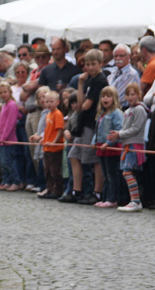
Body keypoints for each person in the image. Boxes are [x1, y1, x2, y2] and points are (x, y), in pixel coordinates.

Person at [60, 49, 107, 204]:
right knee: (73, 155)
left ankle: (97, 192)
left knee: (93, 159)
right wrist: (80, 83)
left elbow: (84, 106)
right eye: (87, 64)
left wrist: (82, 102)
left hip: (92, 123)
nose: (90, 67)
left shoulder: (100, 80)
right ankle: (76, 190)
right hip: (83, 123)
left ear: (100, 64)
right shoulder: (89, 80)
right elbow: (80, 103)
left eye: (93, 64)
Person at [113, 83, 149, 212]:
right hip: (126, 144)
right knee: (127, 172)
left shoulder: (139, 109)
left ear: (138, 95)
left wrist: (120, 134)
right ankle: (134, 199)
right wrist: (117, 136)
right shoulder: (127, 111)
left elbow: (136, 128)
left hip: (135, 145)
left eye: (133, 94)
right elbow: (125, 128)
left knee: (128, 172)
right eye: (128, 94)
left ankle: (136, 201)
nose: (130, 97)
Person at [92, 86, 124, 208]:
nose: (105, 99)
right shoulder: (101, 114)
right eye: (103, 96)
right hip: (102, 147)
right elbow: (97, 131)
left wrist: (108, 143)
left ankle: (113, 198)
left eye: (108, 96)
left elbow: (118, 130)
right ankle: (105, 197)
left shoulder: (116, 113)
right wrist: (94, 142)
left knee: (112, 174)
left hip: (111, 148)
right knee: (105, 174)